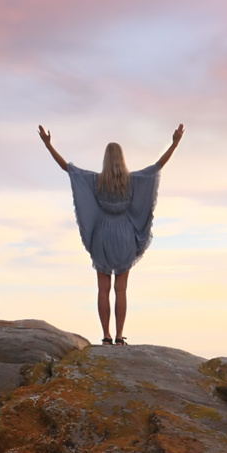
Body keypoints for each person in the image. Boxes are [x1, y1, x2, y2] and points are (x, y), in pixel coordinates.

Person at [38, 121, 183, 344]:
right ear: (122, 159)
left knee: (103, 289)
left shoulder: (96, 181)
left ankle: (105, 336)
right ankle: (118, 336)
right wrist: (174, 144)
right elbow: (157, 167)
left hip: (103, 236)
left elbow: (67, 168)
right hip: (124, 235)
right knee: (121, 289)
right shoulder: (132, 181)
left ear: (106, 159)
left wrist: (49, 146)